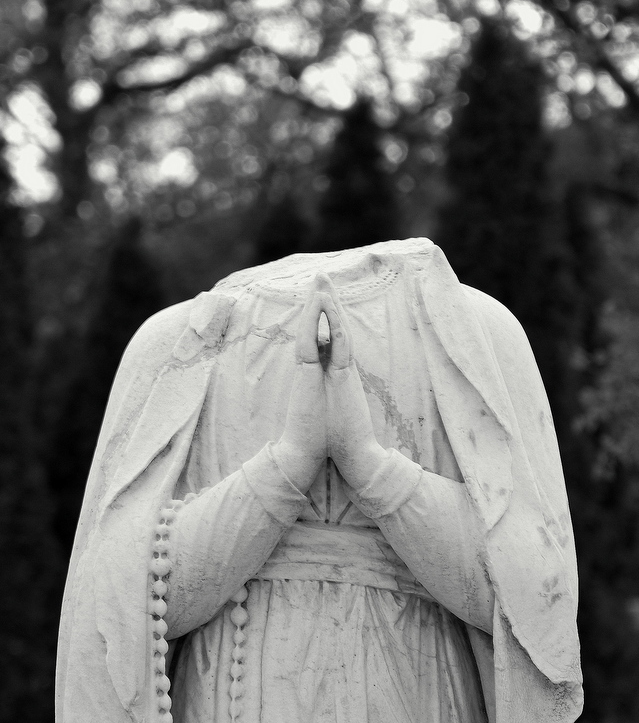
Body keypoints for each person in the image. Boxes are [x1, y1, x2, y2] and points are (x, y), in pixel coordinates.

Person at [56, 239, 583, 723]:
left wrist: (369, 464)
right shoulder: (179, 343)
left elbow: (539, 600)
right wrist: (288, 463)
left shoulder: (475, 331)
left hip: (419, 689)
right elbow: (114, 613)